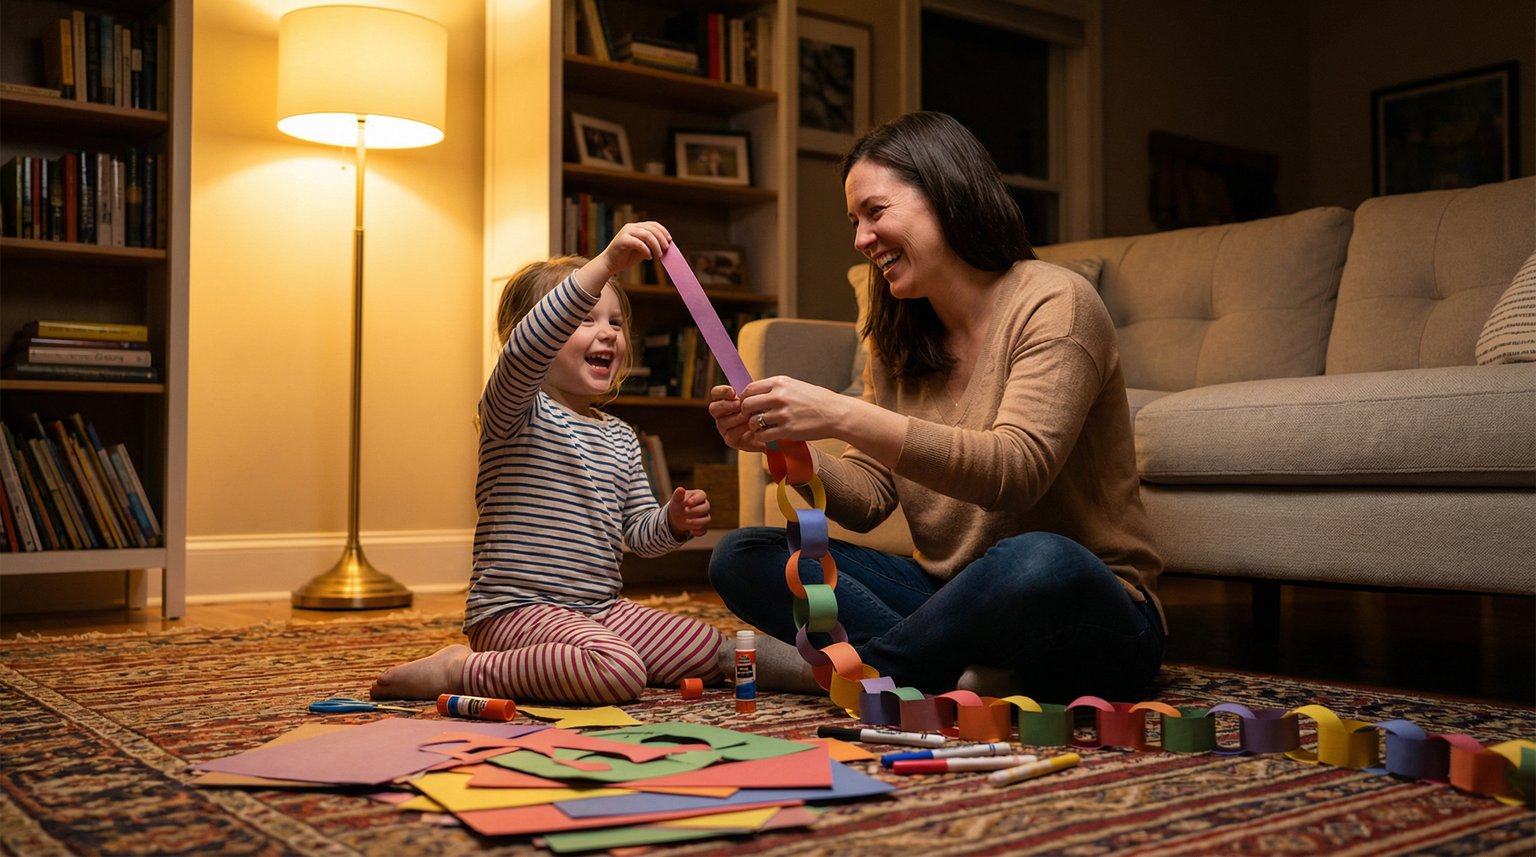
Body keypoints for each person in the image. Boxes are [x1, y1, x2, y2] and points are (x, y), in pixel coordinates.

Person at [706, 112, 1166, 702]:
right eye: (854, 221)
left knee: (1041, 560)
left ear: (946, 192)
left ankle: (852, 674)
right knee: (744, 554)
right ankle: (956, 673)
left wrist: (841, 413)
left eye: (875, 212)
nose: (860, 239)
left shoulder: (1056, 303)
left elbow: (1014, 473)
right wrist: (787, 442)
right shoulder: (897, 337)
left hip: (1087, 611)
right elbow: (870, 499)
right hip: (950, 599)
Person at [371, 222, 728, 705]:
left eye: (615, 323)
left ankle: (572, 660)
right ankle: (461, 669)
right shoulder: (513, 410)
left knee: (711, 651)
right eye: (584, 317)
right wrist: (605, 265)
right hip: (512, 612)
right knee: (618, 671)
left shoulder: (622, 437)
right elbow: (525, 352)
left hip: (597, 609)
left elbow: (640, 535)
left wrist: (674, 521)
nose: (606, 333)